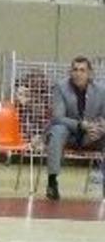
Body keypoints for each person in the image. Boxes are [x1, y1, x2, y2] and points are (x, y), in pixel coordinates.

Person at [45, 57, 105, 201]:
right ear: (70, 72)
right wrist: (81, 125)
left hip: (92, 134)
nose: (78, 74)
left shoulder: (101, 90)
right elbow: (58, 117)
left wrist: (99, 128)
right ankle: (52, 182)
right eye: (75, 70)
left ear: (90, 73)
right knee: (58, 130)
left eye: (82, 70)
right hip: (69, 133)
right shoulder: (60, 87)